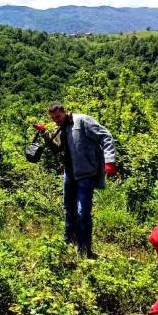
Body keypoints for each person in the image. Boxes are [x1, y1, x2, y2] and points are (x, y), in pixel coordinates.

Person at [34, 103, 117, 258]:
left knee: (83, 212)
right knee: (68, 208)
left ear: (64, 111)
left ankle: (85, 250)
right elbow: (56, 148)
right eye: (52, 118)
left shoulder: (82, 121)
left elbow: (106, 136)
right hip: (70, 174)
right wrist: (45, 132)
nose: (56, 120)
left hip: (86, 174)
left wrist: (110, 161)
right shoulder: (62, 127)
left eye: (57, 116)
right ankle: (69, 240)